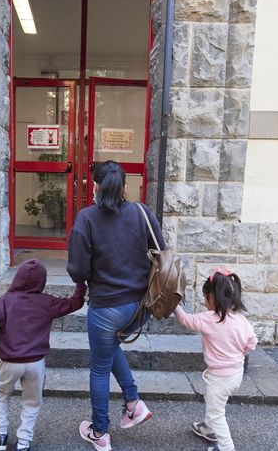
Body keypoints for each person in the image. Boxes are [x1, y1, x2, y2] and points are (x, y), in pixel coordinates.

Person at [67, 160, 165, 451]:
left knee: (99, 368)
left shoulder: (86, 218)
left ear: (95, 186)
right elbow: (162, 251)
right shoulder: (142, 212)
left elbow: (78, 271)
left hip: (107, 308)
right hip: (142, 307)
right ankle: (133, 403)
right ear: (124, 186)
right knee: (111, 348)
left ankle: (100, 432)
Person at [0, 258, 87, 451]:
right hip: (36, 363)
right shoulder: (47, 302)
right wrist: (81, 282)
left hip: (8, 361)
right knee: (32, 401)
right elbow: (75, 303)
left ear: (18, 279)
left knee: (1, 394)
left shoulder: (5, 302)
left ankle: (0, 437)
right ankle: (23, 442)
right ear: (42, 281)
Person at [173, 267, 258, 451]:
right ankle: (207, 428)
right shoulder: (240, 319)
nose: (204, 303)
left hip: (220, 378)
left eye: (205, 298)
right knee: (215, 402)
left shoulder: (209, 318)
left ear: (212, 298)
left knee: (216, 412)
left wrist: (173, 304)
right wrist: (241, 353)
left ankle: (226, 447)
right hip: (236, 374)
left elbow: (185, 320)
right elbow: (252, 342)